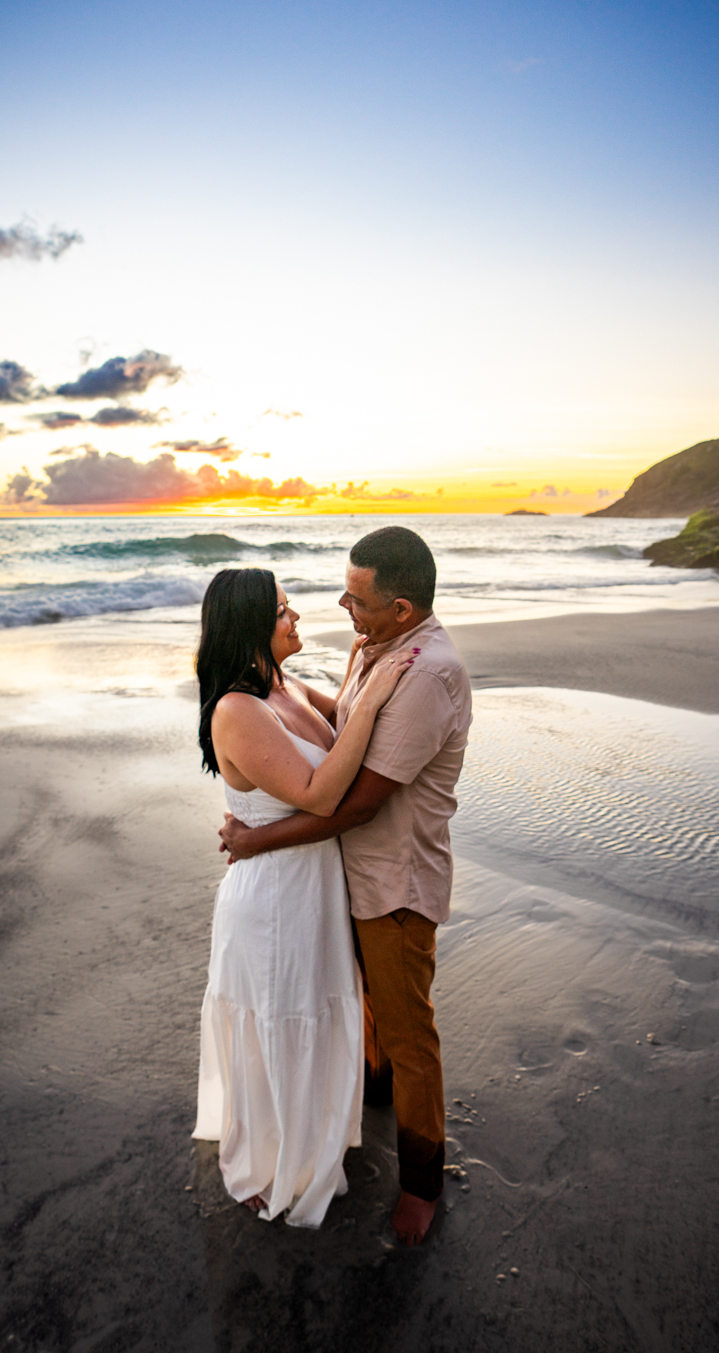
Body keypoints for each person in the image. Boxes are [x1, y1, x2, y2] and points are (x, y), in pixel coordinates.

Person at [220, 527, 472, 1247]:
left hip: (392, 883)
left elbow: (356, 803)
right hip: (348, 876)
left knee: (407, 1031)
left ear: (399, 606)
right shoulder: (379, 649)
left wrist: (253, 838)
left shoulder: (423, 675)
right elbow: (328, 727)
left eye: (354, 599)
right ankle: (376, 1104)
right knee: (371, 1016)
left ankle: (421, 1183)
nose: (340, 608)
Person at [192, 566, 414, 1228]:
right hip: (273, 903)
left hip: (311, 888)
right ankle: (270, 1161)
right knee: (280, 1021)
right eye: (284, 612)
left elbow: (339, 726)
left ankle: (309, 1143)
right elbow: (322, 793)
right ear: (251, 624)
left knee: (313, 1015)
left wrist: (358, 673)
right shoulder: (238, 709)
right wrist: (372, 702)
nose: (296, 620)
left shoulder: (283, 685)